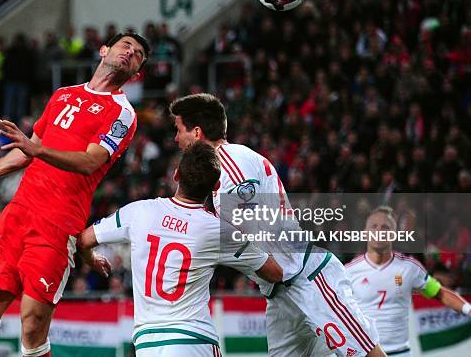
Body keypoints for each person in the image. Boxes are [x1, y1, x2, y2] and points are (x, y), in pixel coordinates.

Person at [0, 33, 151, 357]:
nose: (131, 52)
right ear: (104, 50)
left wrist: (38, 149)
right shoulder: (62, 95)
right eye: (125, 45)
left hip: (58, 225)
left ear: (136, 73)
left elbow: (90, 162)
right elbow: (27, 150)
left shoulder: (122, 113)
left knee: (32, 324)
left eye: (138, 54)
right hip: (19, 212)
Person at [169, 93, 387, 357]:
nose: (176, 139)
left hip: (307, 278)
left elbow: (250, 226)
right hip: (280, 291)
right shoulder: (221, 170)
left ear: (196, 132)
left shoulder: (230, 162)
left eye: (178, 130)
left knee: (366, 354)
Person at [77, 142, 283, 357]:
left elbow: (83, 240)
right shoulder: (217, 229)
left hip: (147, 344)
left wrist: (90, 258)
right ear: (215, 187)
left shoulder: (138, 211)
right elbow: (275, 273)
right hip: (194, 340)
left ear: (176, 175)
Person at [346, 206, 471, 357]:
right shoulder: (349, 271)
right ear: (365, 232)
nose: (379, 231)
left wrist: (467, 309)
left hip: (401, 353)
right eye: (374, 226)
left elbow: (440, 293)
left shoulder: (410, 268)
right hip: (365, 354)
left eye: (385, 227)